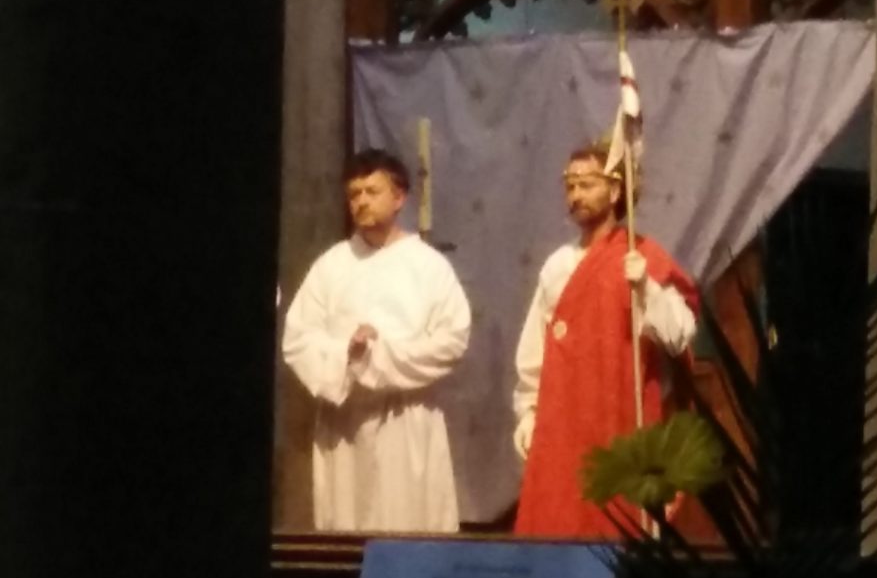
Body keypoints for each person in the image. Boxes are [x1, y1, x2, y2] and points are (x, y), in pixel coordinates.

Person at [513, 142, 700, 537]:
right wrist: (529, 410)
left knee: (619, 528)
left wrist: (646, 288)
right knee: (557, 525)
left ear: (615, 192)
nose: (576, 195)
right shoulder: (557, 265)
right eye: (570, 185)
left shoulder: (644, 255)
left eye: (586, 184)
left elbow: (679, 334)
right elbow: (537, 347)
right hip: (563, 422)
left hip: (621, 415)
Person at [283, 148, 471, 532]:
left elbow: (451, 340)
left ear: (399, 197)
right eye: (354, 194)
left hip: (406, 418)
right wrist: (344, 353)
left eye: (372, 191)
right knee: (347, 526)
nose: (361, 202)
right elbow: (298, 338)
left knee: (409, 525)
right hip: (346, 422)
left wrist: (380, 356)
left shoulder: (428, 266)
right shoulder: (332, 265)